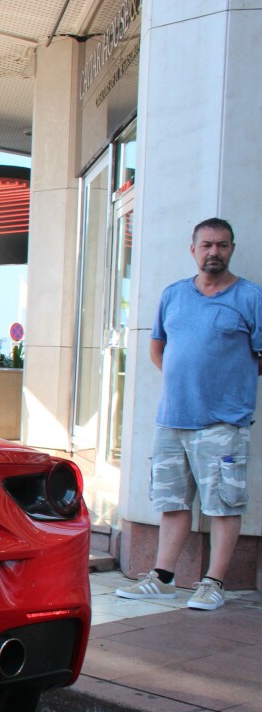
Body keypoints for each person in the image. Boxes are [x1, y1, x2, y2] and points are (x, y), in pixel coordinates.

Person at [117, 217, 262, 612]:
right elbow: (158, 348)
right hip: (172, 419)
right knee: (172, 502)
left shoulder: (251, 297)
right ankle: (162, 579)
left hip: (223, 422)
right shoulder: (174, 295)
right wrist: (189, 382)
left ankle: (213, 583)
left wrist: (228, 385)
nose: (214, 251)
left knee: (223, 505)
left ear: (232, 248)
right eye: (207, 245)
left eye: (222, 245)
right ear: (193, 248)